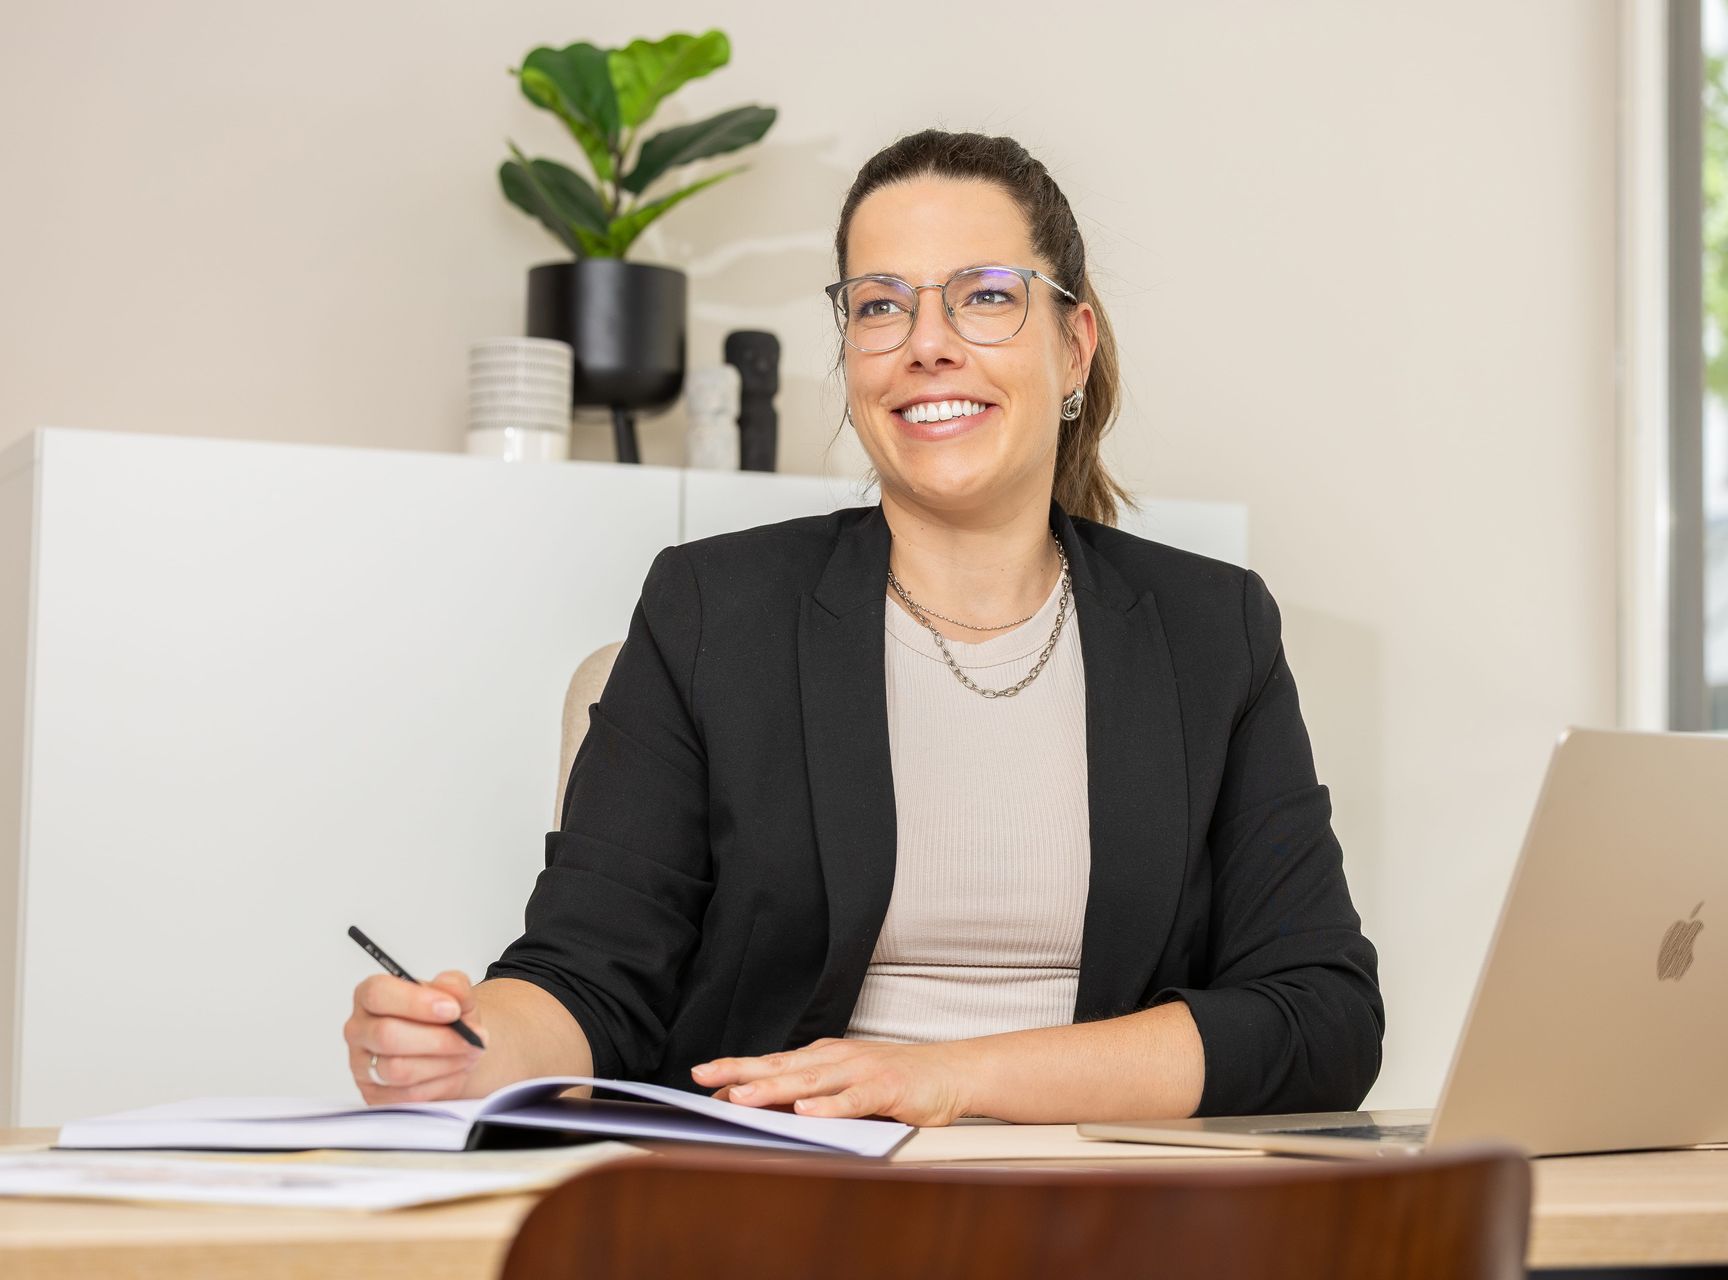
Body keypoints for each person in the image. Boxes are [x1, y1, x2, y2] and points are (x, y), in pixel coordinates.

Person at [341, 129, 1383, 1126]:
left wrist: (951, 1076)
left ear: (1074, 346)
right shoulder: (714, 611)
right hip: (791, 1202)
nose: (926, 344)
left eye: (984, 297)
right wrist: (471, 1042)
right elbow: (588, 975)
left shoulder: (1211, 631)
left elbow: (1322, 1017)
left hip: (1108, 1208)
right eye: (880, 305)